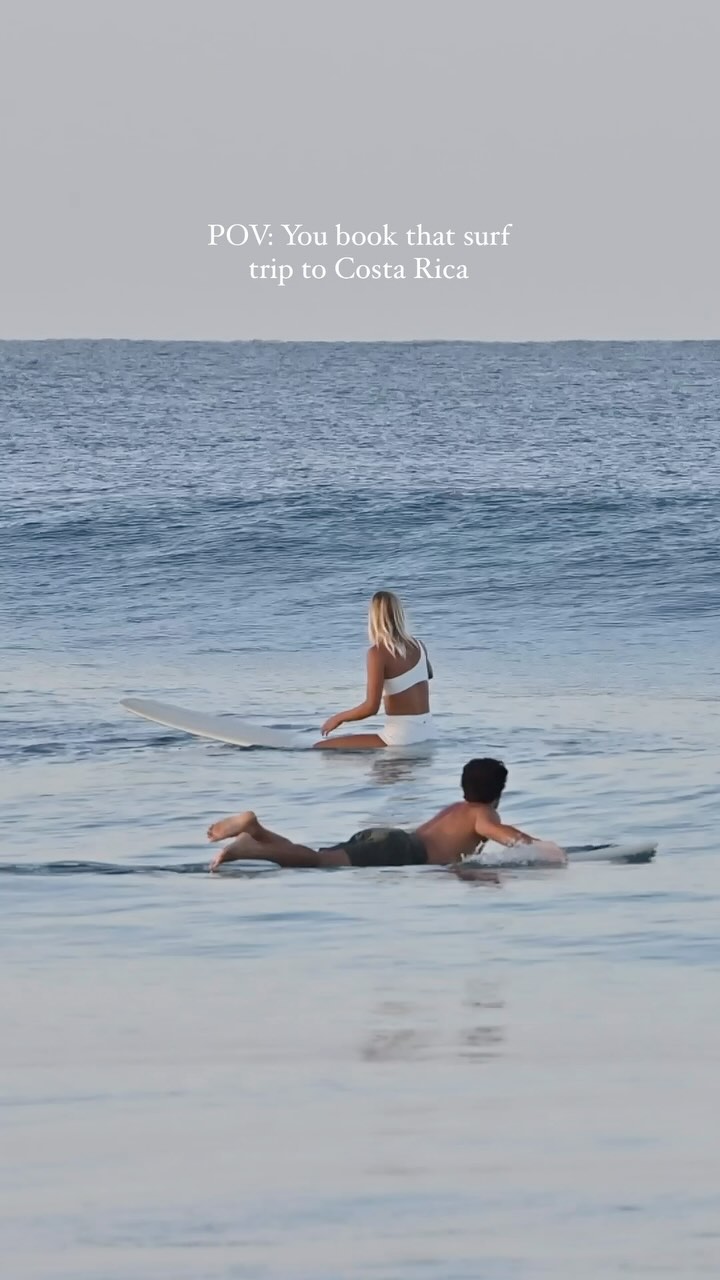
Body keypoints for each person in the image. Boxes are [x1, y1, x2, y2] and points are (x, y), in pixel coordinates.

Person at [206, 757, 566, 871]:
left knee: (314, 856)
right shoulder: (483, 814)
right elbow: (504, 836)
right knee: (317, 862)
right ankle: (251, 848)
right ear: (498, 793)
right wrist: (542, 849)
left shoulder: (457, 808)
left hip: (390, 839)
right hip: (400, 850)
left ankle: (257, 831)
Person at [313, 589, 434, 750]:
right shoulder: (420, 646)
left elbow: (371, 708)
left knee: (320, 747)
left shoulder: (377, 653)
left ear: (374, 618)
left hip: (400, 737)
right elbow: (428, 675)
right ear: (399, 614)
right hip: (428, 732)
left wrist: (337, 719)